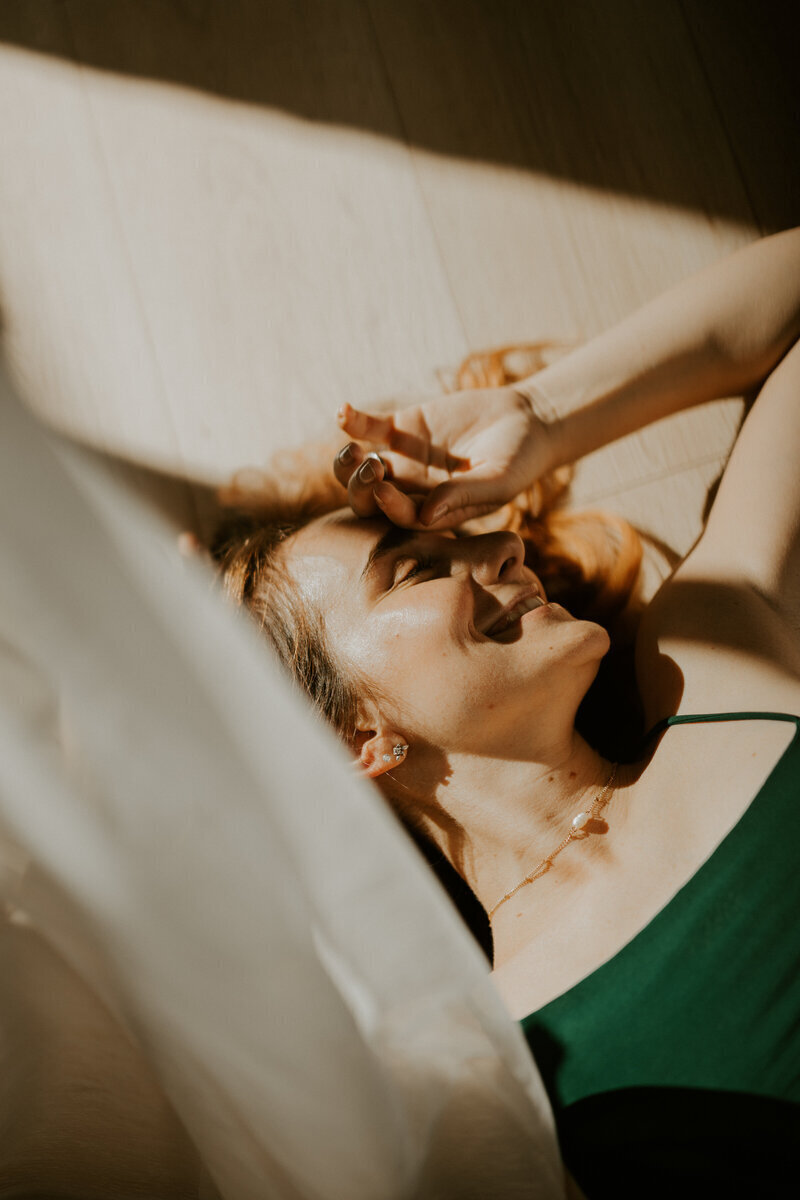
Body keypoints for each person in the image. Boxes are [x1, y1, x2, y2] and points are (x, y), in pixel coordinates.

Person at [211, 228, 800, 1196]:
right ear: (354, 736)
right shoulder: (500, 1083)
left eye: (476, 536)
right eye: (415, 569)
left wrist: (543, 415)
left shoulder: (709, 674)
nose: (504, 552)